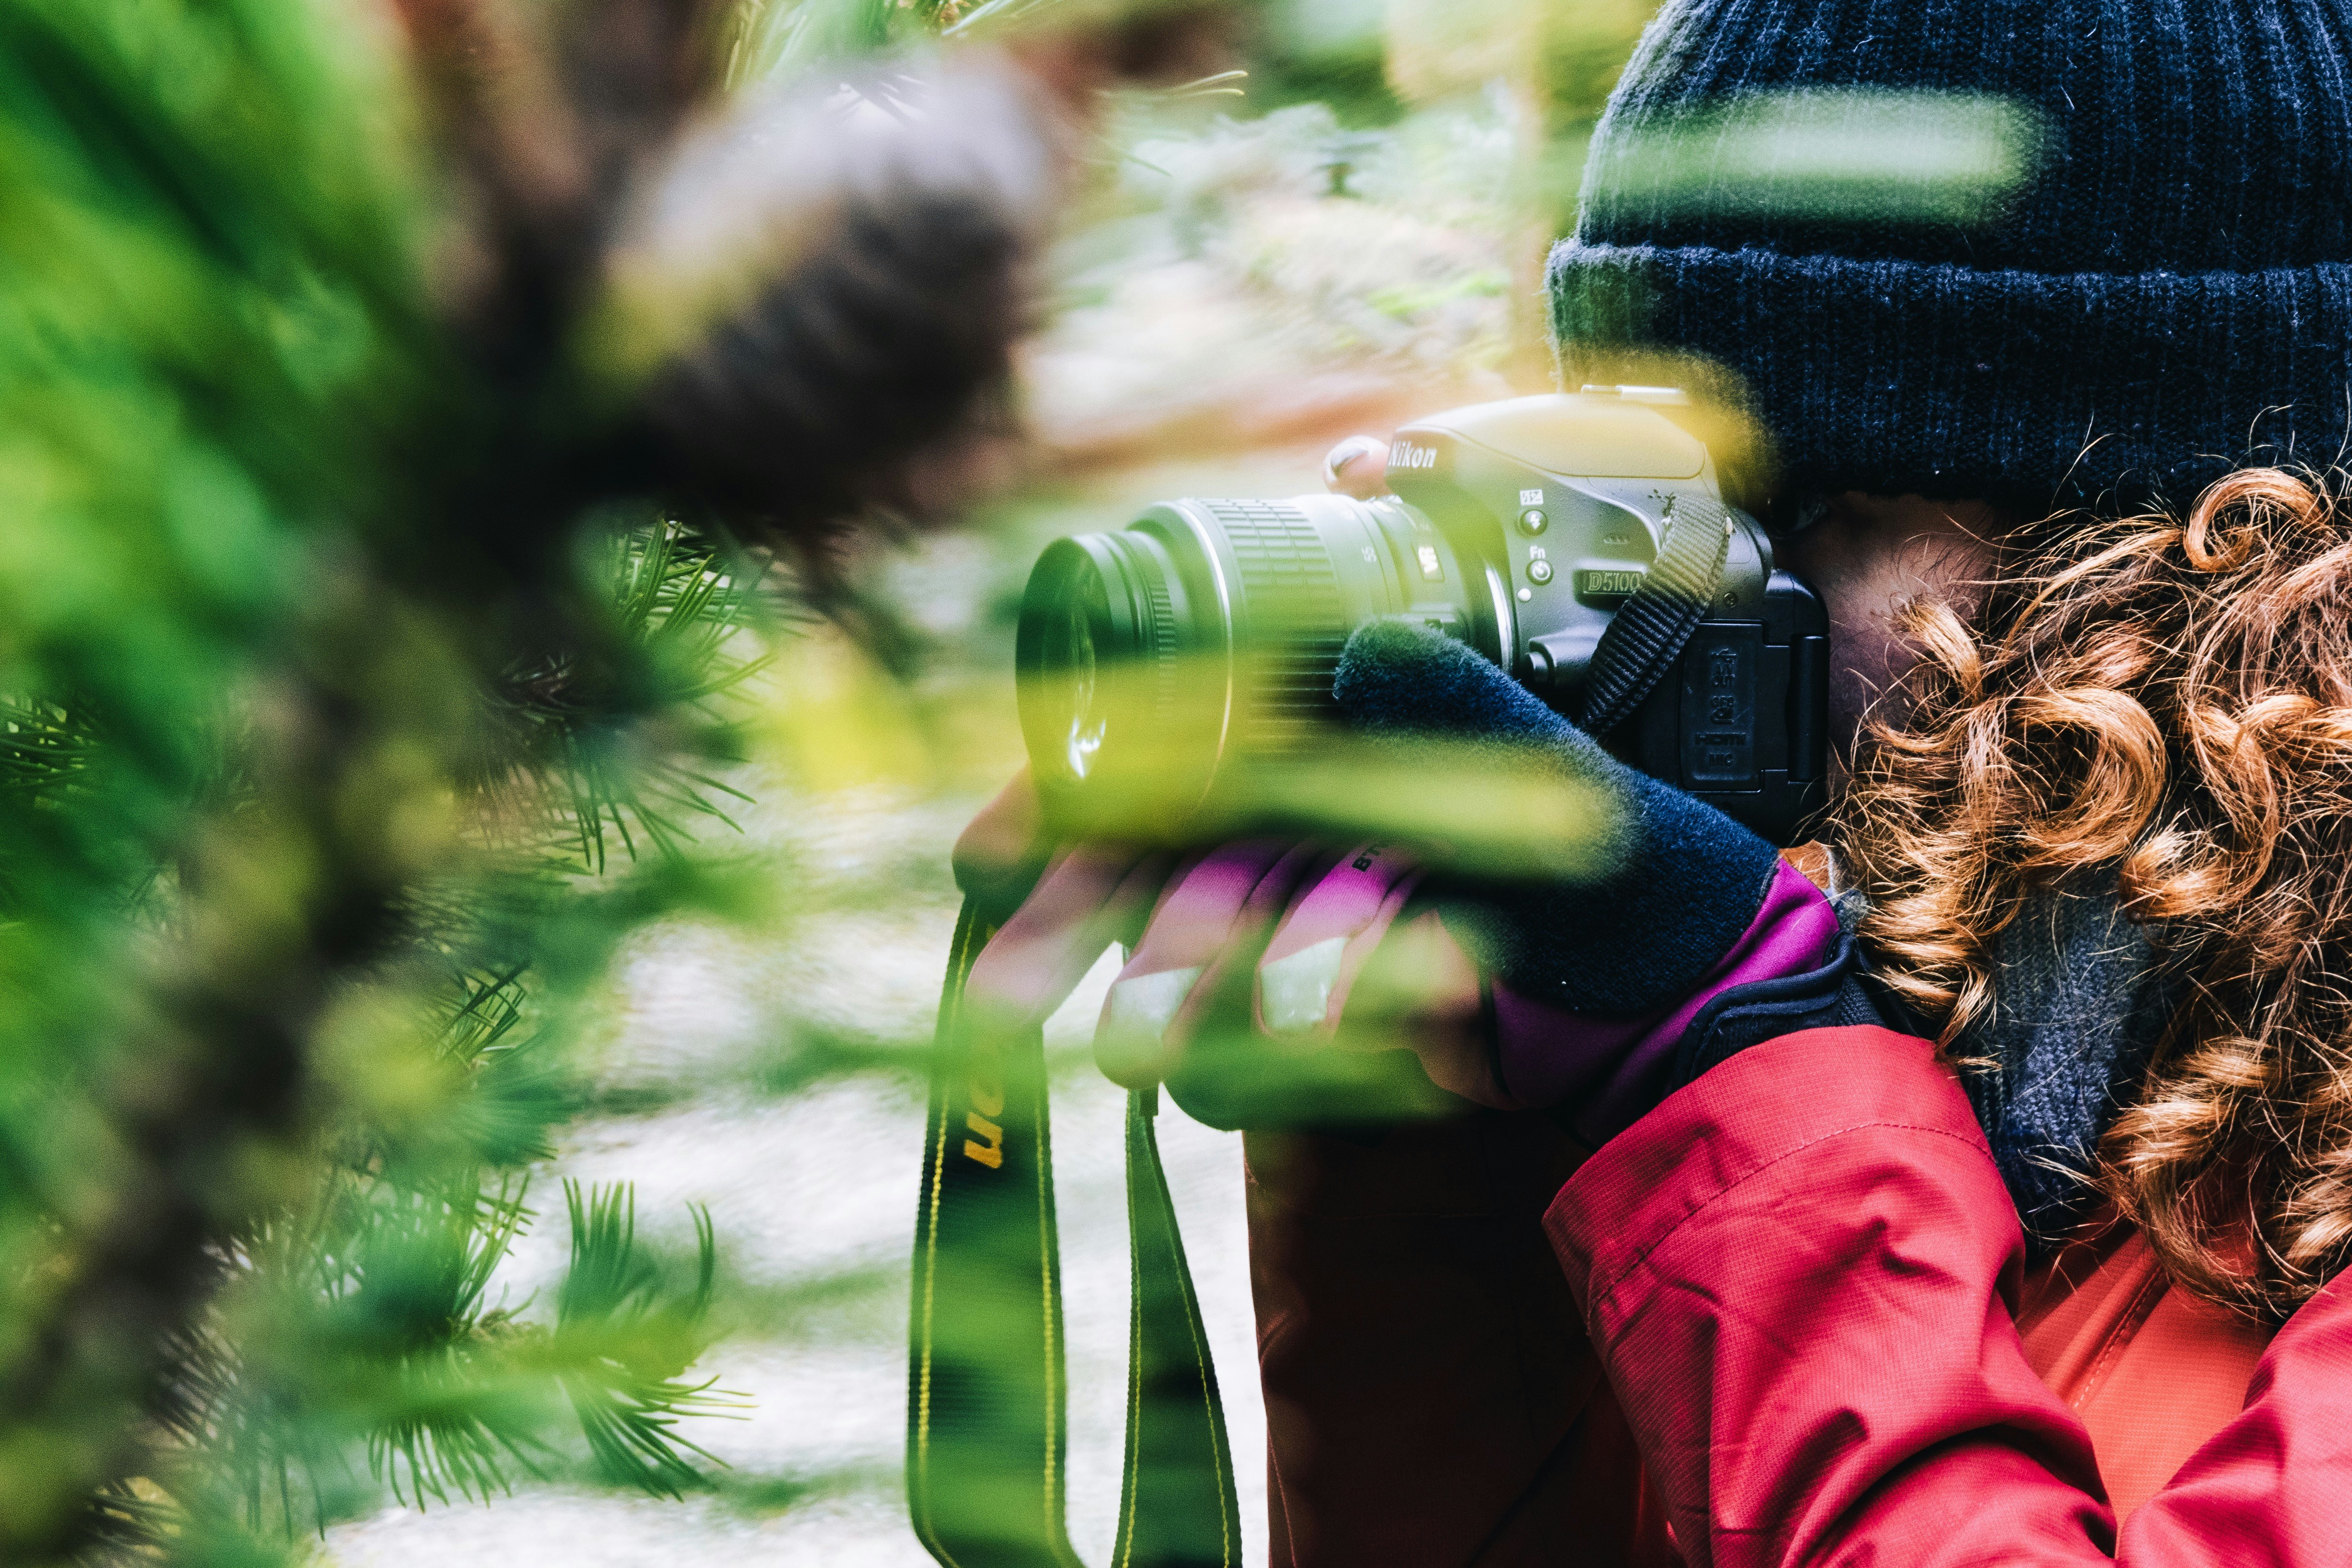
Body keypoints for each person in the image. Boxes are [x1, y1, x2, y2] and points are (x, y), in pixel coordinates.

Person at [958, 0, 2352, 1561]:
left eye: (1789, 509)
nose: (1674, 620)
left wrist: (1730, 1065)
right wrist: (1454, 1143)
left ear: (2209, 565)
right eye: (1630, 506)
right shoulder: (1948, 1016)